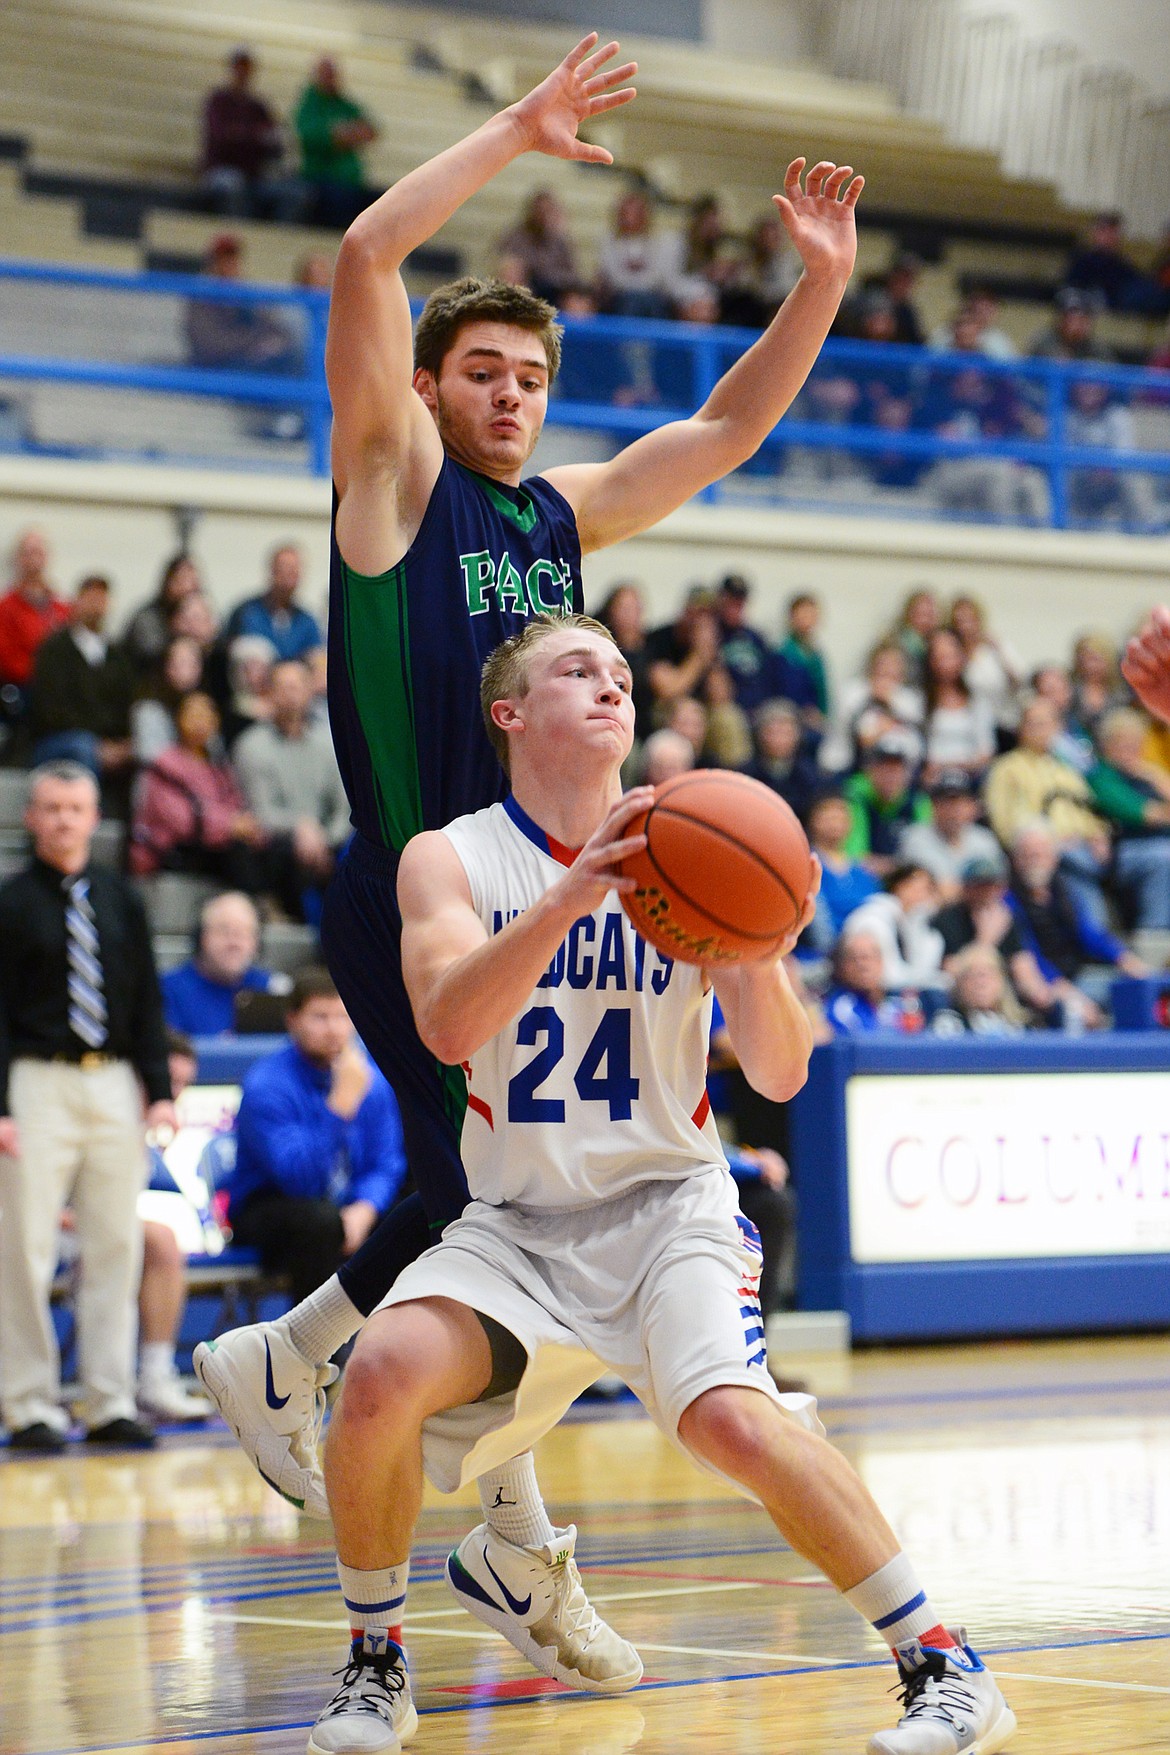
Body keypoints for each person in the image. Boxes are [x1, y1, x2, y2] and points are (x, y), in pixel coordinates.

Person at [194, 29, 866, 1683]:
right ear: (426, 387)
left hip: (540, 889)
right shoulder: (390, 483)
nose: (512, 394)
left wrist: (821, 287)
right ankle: (358, 1423)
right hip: (417, 883)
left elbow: (714, 435)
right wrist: (518, 127)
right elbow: (364, 254)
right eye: (483, 369)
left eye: (531, 377)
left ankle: (423, 1472)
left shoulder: (554, 520)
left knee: (514, 1214)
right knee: (480, 1203)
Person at [306, 614, 1014, 1754]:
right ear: (510, 712)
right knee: (379, 1369)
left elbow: (782, 1068)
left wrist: (762, 944)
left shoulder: (694, 845)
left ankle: (945, 1665)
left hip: (667, 1210)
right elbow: (444, 1026)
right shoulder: (452, 854)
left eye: (622, 676)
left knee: (731, 1420)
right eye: (576, 671)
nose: (610, 688)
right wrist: (573, 893)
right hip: (517, 1228)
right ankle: (377, 1665)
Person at [0, 762, 175, 1450]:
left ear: (94, 814)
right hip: (35, 1082)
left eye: (76, 807)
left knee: (115, 1243)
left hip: (114, 1082)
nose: (65, 819)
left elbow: (145, 1000)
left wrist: (158, 1089)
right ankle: (29, 1403)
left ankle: (108, 1400)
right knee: (26, 1246)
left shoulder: (120, 897)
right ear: (31, 817)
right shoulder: (10, 903)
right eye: (52, 807)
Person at [229, 970, 407, 1308]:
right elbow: (300, 1180)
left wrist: (365, 1208)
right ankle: (315, 1350)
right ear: (292, 1020)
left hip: (347, 1206)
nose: (334, 1029)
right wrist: (339, 1109)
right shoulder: (266, 1085)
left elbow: (386, 1163)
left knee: (416, 1210)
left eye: (342, 1016)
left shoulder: (370, 1079)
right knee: (320, 1222)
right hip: (270, 1209)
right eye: (320, 1017)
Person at [136, 1029, 217, 1423]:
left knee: (160, 1240)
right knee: (152, 1239)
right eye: (169, 1081)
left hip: (101, 1230)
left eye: (184, 1084)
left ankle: (153, 1377)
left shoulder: (162, 1131)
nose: (174, 1093)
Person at [983, 694, 1112, 927]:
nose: (1038, 730)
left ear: (1057, 727)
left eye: (1045, 723)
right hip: (1039, 849)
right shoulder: (1007, 767)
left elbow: (1088, 807)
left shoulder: (1067, 767)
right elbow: (1003, 821)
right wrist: (1051, 840)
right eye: (1032, 723)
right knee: (1073, 864)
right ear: (1021, 728)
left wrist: (1098, 833)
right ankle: (1095, 935)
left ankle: (1100, 935)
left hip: (1081, 846)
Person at [233, 658, 351, 909]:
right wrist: (300, 828)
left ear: (310, 690)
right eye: (283, 687)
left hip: (326, 845)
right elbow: (260, 811)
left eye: (297, 686)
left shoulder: (329, 742)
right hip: (278, 845)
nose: (290, 694)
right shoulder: (251, 744)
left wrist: (325, 839)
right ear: (269, 693)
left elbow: (344, 806)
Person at [1007, 820, 1144, 1026]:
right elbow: (1028, 955)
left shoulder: (1065, 891)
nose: (1035, 861)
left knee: (1133, 989)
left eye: (1041, 854)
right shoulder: (1008, 901)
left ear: (1054, 858)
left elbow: (1089, 933)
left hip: (1078, 976)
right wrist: (1072, 997)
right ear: (1016, 860)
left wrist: (1125, 958)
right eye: (1028, 854)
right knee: (1077, 1011)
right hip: (1044, 986)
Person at [27, 575, 137, 795]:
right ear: (76, 601)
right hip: (57, 740)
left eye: (102, 598)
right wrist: (99, 744)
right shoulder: (54, 649)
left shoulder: (118, 655)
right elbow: (49, 710)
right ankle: (85, 815)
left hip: (108, 743)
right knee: (83, 747)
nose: (96, 604)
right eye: (90, 597)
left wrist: (123, 744)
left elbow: (127, 705)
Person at [1085, 707, 1170, 930]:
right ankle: (1154, 934)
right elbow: (1145, 815)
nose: (1130, 751)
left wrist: (1154, 776)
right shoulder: (1103, 777)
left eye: (1135, 744)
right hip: (1125, 852)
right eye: (1122, 744)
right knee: (1164, 857)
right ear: (1107, 746)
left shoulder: (1146, 776)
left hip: (1155, 845)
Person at [200, 46, 301, 222]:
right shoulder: (218, 101)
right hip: (222, 171)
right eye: (240, 67)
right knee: (233, 186)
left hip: (255, 176)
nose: (243, 72)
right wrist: (255, 137)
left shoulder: (259, 106)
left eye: (247, 67)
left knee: (296, 193)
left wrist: (244, 135)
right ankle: (238, 233)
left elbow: (275, 141)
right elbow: (221, 139)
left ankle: (278, 240)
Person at [161, 890, 280, 1036]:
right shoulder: (167, 990)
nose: (234, 943)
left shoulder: (273, 989)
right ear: (202, 937)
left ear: (257, 942)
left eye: (243, 933)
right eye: (224, 931)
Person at [183, 233, 301, 377]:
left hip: (249, 364)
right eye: (223, 260)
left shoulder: (246, 294)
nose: (229, 265)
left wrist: (270, 344)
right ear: (212, 263)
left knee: (290, 356)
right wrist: (254, 343)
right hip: (216, 370)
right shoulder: (200, 297)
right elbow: (210, 346)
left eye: (233, 259)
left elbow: (275, 327)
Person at [295, 58, 380, 230]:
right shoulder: (309, 105)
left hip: (351, 181)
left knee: (384, 202)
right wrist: (348, 134)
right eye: (326, 74)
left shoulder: (344, 104)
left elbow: (371, 131)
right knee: (341, 201)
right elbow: (314, 137)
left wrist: (341, 134)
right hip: (320, 178)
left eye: (332, 74)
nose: (330, 79)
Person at [898, 768, 1004, 901]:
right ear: (933, 806)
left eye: (960, 803)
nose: (953, 810)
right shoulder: (915, 838)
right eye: (946, 803)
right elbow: (926, 892)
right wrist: (977, 890)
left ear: (971, 807)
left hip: (975, 917)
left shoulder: (985, 840)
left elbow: (998, 890)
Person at [841, 863, 948, 993]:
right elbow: (887, 976)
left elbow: (923, 966)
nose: (926, 896)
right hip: (865, 993)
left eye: (930, 890)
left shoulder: (912, 922)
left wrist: (922, 925)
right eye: (921, 888)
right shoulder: (872, 918)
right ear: (900, 886)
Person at [842, 735, 932, 875]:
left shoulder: (917, 801)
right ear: (869, 770)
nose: (890, 775)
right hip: (866, 878)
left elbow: (925, 855)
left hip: (906, 880)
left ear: (908, 774)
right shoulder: (855, 796)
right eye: (883, 767)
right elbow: (855, 856)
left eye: (896, 769)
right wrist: (898, 867)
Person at [802, 788, 879, 951]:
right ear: (813, 820)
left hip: (864, 951)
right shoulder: (806, 866)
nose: (835, 822)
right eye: (828, 816)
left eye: (841, 815)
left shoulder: (862, 873)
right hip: (820, 955)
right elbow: (818, 929)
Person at [0, 527, 69, 706]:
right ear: (18, 559)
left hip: (61, 690)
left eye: (39, 552)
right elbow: (7, 660)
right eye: (28, 553)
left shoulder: (61, 608)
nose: (34, 559)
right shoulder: (5, 608)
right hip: (23, 692)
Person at [224, 543, 323, 662]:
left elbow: (316, 654)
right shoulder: (247, 613)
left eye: (294, 570)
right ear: (272, 570)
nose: (288, 575)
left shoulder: (307, 621)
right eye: (284, 567)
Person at [823, 928, 919, 1034]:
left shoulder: (898, 1006)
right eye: (854, 959)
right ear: (843, 967)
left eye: (868, 957)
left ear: (881, 962)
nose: (863, 966)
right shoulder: (840, 1009)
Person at [122, 552, 204, 674]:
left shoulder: (201, 610)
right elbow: (152, 656)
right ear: (168, 582)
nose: (187, 587)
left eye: (192, 581)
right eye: (181, 580)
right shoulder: (148, 617)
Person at [130, 634, 205, 765]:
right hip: (160, 782)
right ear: (166, 666)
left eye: (194, 662)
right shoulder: (147, 708)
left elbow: (214, 755)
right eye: (181, 662)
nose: (190, 669)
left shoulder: (202, 706)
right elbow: (149, 754)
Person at [496, 189, 579, 304]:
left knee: (575, 300)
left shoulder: (560, 239)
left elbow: (572, 275)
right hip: (528, 289)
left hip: (555, 292)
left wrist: (558, 235)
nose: (543, 215)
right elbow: (508, 264)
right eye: (540, 210)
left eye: (547, 210)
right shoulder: (517, 236)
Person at [928, 943, 1026, 1037]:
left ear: (1001, 980)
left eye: (986, 975)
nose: (980, 983)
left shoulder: (1025, 1028)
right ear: (960, 984)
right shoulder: (947, 1028)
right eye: (972, 975)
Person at [746, 699, 820, 820]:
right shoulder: (744, 776)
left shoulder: (810, 776)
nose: (779, 740)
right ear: (759, 734)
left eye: (786, 732)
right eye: (773, 732)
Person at [714, 573, 778, 712]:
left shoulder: (755, 637)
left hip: (760, 708)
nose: (735, 608)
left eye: (739, 603)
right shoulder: (712, 634)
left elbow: (768, 677)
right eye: (730, 602)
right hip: (730, 708)